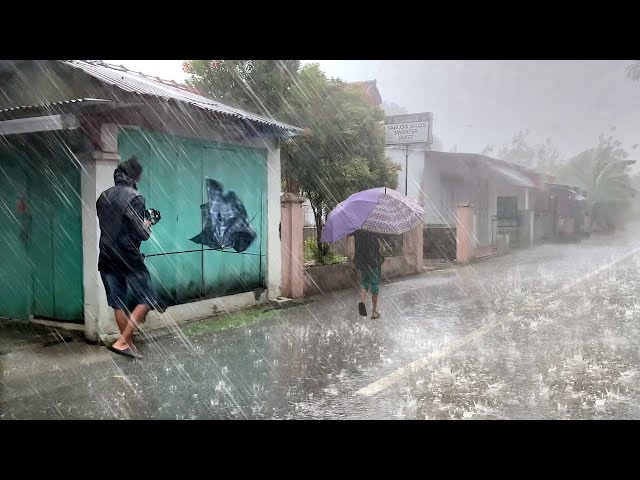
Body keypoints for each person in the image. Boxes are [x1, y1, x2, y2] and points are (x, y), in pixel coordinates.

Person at [96, 156, 156, 359]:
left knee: (118, 302)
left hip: (105, 255)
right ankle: (122, 342)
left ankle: (128, 345)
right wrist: (147, 224)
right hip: (128, 256)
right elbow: (140, 233)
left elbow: (112, 225)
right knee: (147, 298)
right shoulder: (135, 197)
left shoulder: (103, 197)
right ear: (136, 176)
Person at [354, 230, 385, 319]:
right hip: (374, 261)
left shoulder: (358, 230)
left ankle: (362, 302)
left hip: (363, 262)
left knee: (364, 282)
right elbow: (379, 237)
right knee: (374, 284)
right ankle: (374, 311)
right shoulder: (373, 228)